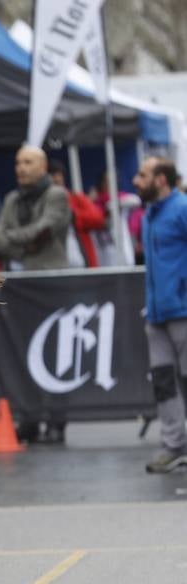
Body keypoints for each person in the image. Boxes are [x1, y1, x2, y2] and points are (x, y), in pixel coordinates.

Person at [0, 145, 74, 444]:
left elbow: (47, 228)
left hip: (53, 284)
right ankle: (30, 418)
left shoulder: (57, 195)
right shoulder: (13, 199)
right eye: (17, 162)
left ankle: (56, 421)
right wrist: (26, 244)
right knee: (25, 352)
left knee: (54, 351)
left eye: (27, 162)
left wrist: (19, 239)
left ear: (43, 166)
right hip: (24, 286)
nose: (20, 168)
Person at [132, 156, 187, 474]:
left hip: (181, 310)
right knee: (165, 383)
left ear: (161, 179)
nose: (136, 181)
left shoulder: (181, 209)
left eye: (143, 174)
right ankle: (174, 445)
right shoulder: (150, 213)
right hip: (157, 314)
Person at [50, 161, 107, 268]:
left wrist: (73, 215)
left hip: (82, 262)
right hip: (54, 263)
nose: (56, 180)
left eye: (59, 177)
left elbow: (99, 219)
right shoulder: (41, 204)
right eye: (52, 177)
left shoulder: (76, 199)